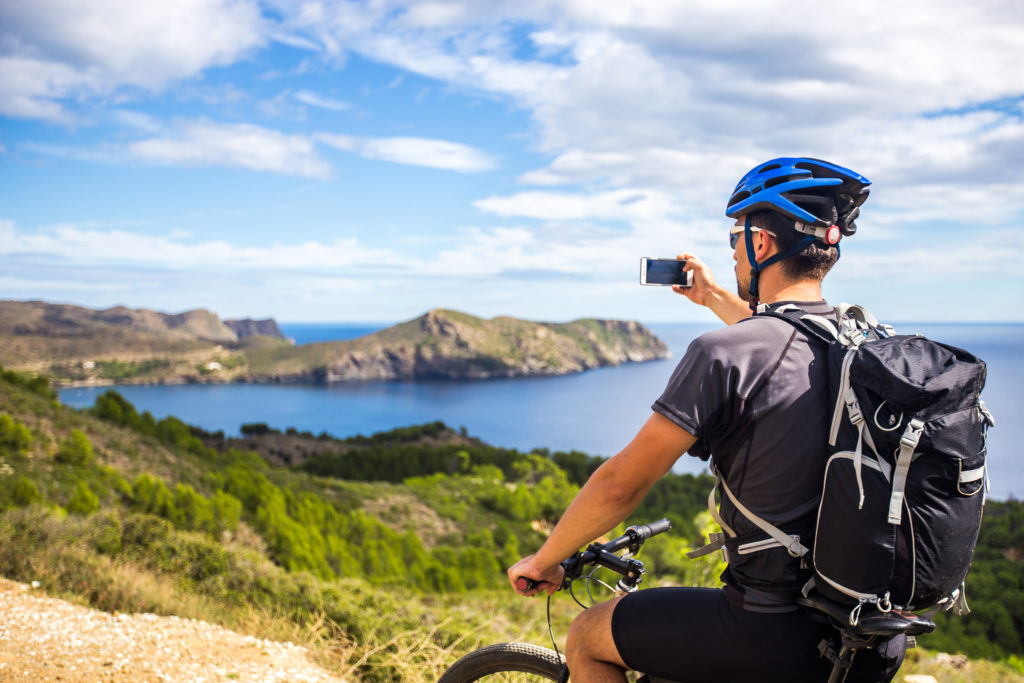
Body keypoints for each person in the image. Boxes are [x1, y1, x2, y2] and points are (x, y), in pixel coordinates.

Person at [507, 157, 906, 682]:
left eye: (735, 238)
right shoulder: (867, 345)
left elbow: (621, 486)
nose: (735, 251)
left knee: (586, 635)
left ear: (761, 243)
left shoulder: (722, 354)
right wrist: (715, 296)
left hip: (771, 631)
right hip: (872, 633)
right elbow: (788, 349)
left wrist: (544, 560)